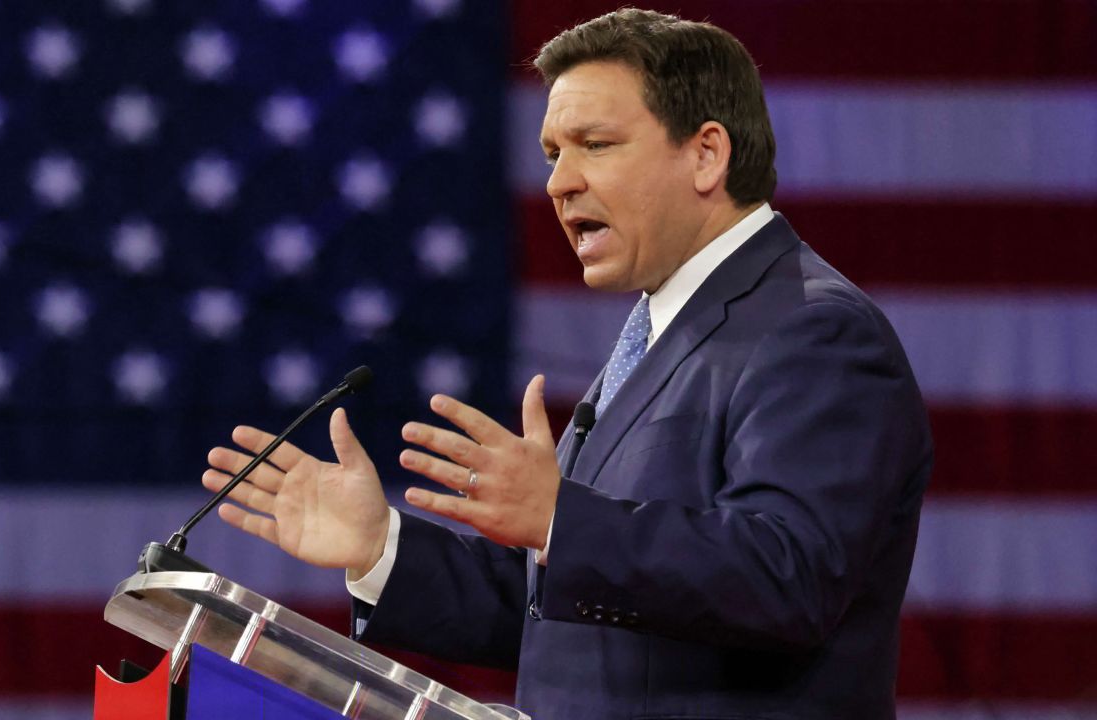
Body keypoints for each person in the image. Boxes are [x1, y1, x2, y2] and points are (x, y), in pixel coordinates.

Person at [202, 9, 932, 719]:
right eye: (554, 153)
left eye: (595, 144)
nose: (558, 183)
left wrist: (559, 518)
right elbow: (575, 615)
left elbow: (786, 577)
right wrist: (380, 547)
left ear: (706, 153)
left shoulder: (814, 331)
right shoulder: (662, 327)